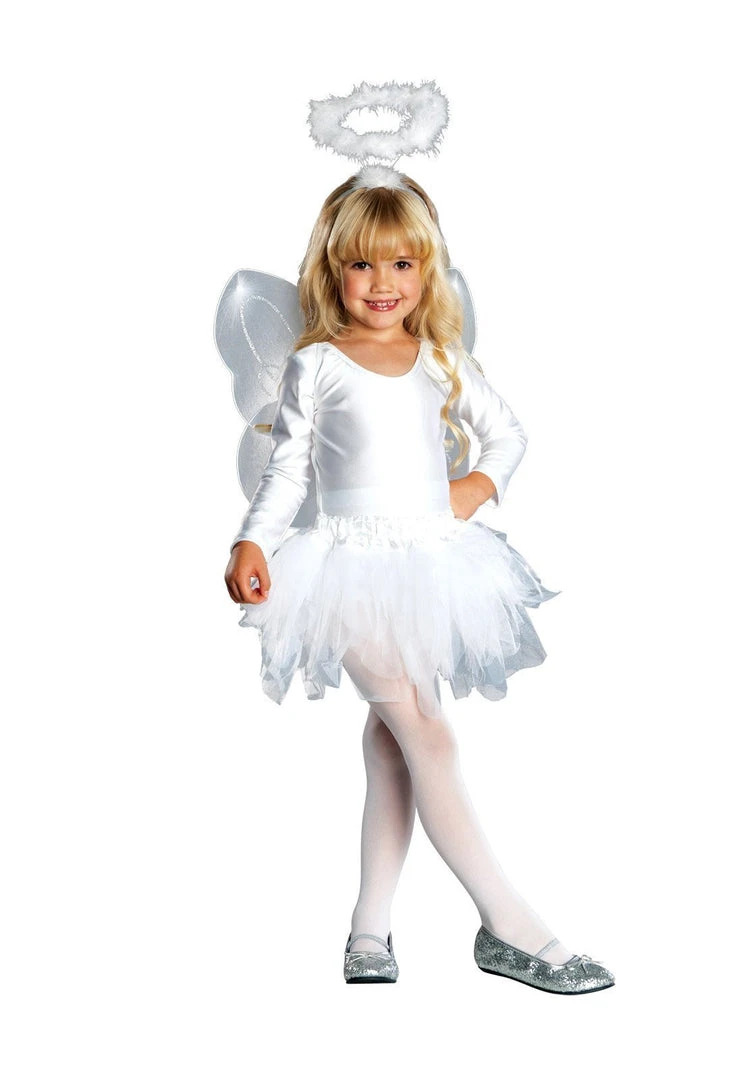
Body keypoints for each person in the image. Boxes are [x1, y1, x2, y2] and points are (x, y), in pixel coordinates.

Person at [223, 168, 615, 994]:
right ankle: (511, 926)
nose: (383, 283)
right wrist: (252, 540)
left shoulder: (440, 359)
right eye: (362, 264)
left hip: (428, 567)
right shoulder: (318, 364)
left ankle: (369, 929)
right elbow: (288, 471)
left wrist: (475, 488)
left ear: (426, 270)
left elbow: (507, 434)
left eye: (402, 264)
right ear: (333, 270)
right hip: (347, 569)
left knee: (393, 744)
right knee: (429, 735)